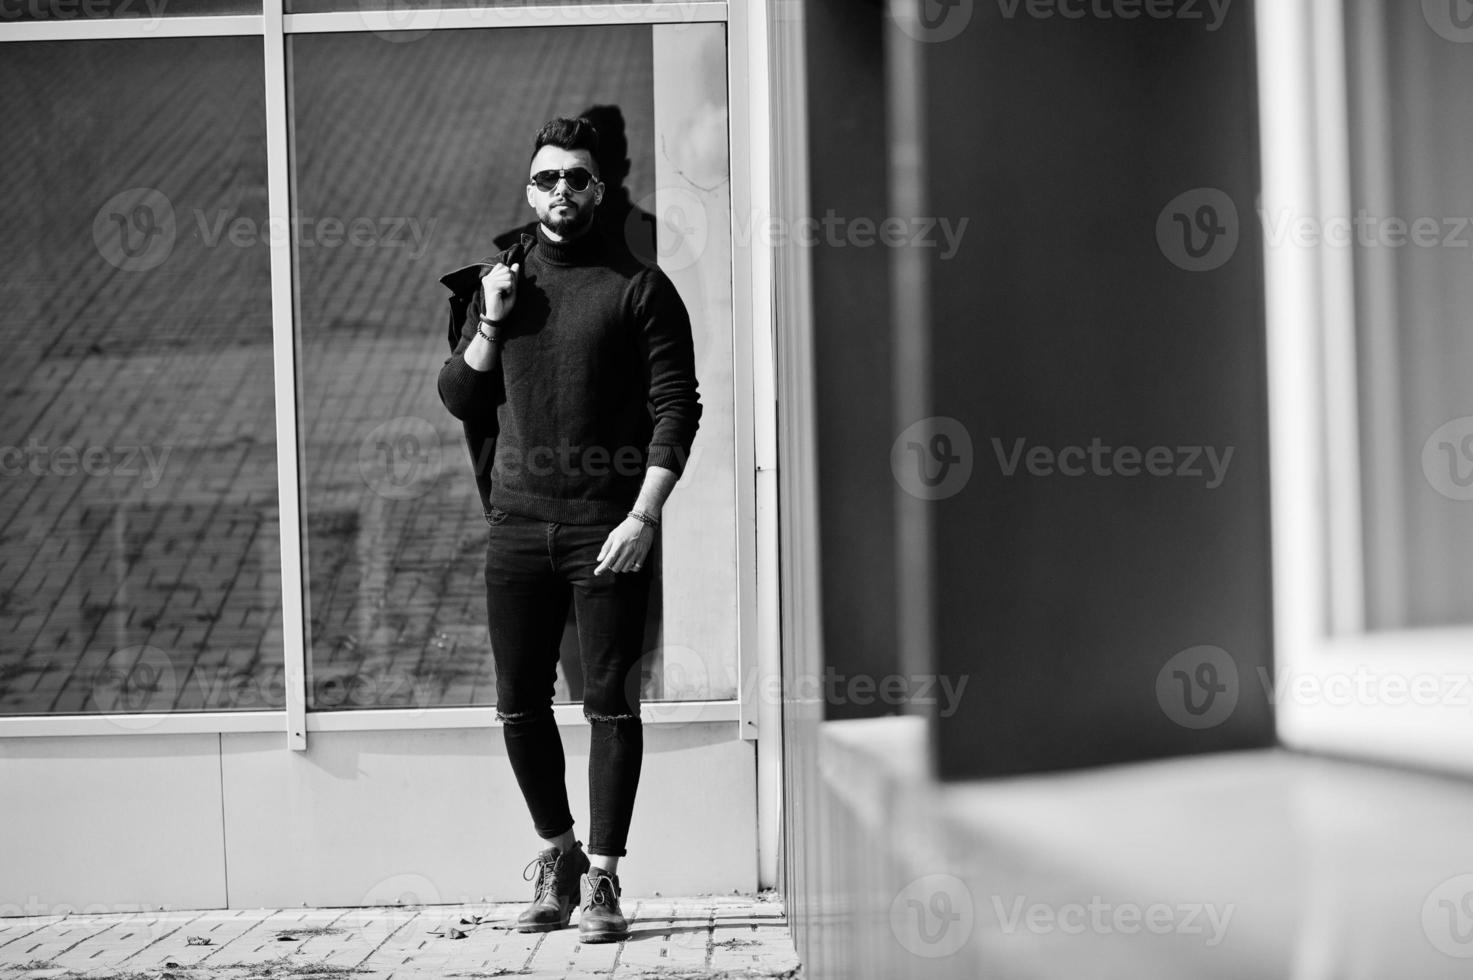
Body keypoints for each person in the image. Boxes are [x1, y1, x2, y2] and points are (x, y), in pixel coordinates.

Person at [436, 117, 701, 944]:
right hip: (516, 527)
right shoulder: (498, 286)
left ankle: (607, 883)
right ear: (530, 189)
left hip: (604, 531)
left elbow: (676, 408)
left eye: (576, 180)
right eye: (547, 179)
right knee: (519, 708)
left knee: (610, 704)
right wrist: (489, 320)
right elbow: (459, 398)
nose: (561, 193)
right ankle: (559, 858)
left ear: (599, 191)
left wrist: (643, 516)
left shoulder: (639, 288)